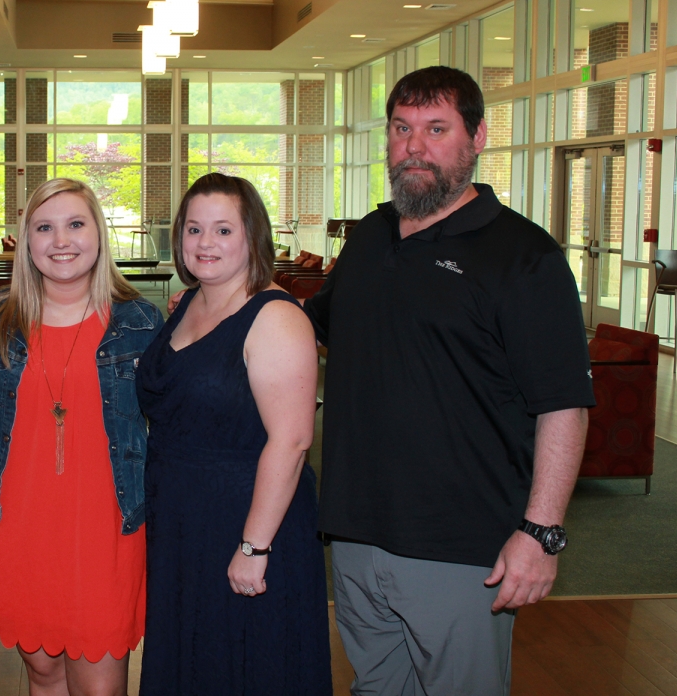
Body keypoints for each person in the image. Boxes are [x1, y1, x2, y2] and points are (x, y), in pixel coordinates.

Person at [302, 66, 594, 695]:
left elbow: (564, 406)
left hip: (463, 550)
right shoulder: (369, 237)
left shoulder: (525, 257)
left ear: (477, 137)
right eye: (402, 129)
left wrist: (541, 533)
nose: (415, 146)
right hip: (354, 534)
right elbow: (308, 328)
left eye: (436, 129)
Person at [136, 173, 332, 695]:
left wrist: (253, 545)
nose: (205, 243)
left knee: (246, 664)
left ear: (253, 236)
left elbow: (291, 441)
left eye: (224, 230)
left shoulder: (276, 318)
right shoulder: (188, 305)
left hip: (245, 520)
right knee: (192, 661)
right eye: (194, 229)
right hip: (180, 521)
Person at [0, 178, 163, 696]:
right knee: (43, 672)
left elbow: (173, 427)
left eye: (76, 224)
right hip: (21, 524)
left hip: (106, 527)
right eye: (45, 227)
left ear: (98, 234)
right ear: (26, 241)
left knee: (100, 685)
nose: (62, 240)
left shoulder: (139, 321)